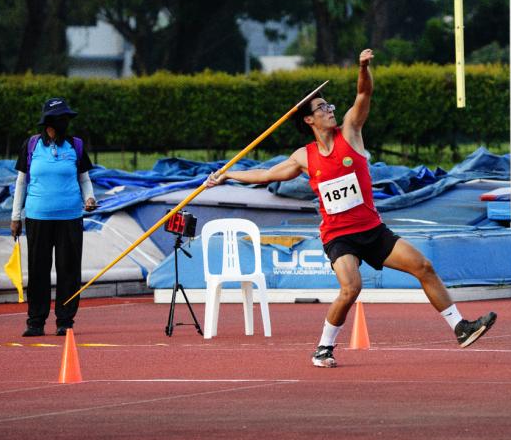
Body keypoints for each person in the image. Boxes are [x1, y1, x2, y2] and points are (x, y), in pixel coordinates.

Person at [206, 49, 496, 367]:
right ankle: (323, 348)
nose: (329, 110)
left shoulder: (350, 132)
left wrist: (362, 67)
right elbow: (265, 175)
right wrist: (228, 175)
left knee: (423, 267)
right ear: (308, 119)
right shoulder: (304, 157)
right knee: (351, 288)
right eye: (322, 108)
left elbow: (363, 93)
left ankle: (460, 327)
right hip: (339, 236)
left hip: (372, 230)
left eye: (329, 105)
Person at [11, 97, 98, 337]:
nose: (65, 123)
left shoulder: (75, 146)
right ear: (49, 122)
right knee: (38, 269)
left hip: (70, 217)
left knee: (68, 270)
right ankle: (35, 322)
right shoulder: (31, 145)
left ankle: (65, 320)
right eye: (62, 119)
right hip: (37, 217)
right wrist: (16, 216)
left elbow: (84, 179)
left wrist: (90, 198)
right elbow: (21, 182)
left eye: (67, 119)